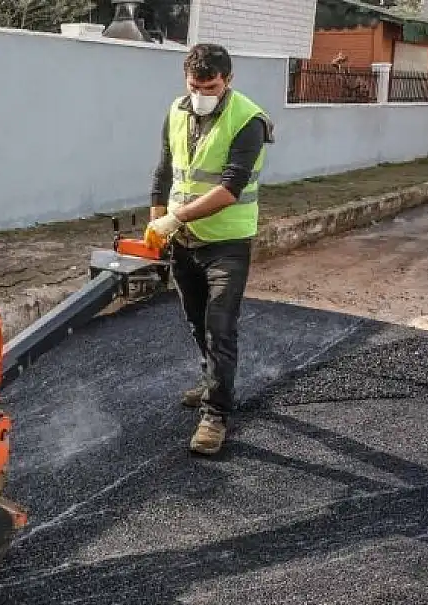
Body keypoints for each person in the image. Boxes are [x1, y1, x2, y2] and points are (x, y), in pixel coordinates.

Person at [143, 43, 274, 456]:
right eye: (194, 85)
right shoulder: (177, 111)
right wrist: (156, 221)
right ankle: (210, 381)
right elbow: (165, 170)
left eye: (210, 86)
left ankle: (215, 415)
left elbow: (231, 186)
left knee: (220, 326)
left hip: (226, 243)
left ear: (228, 81)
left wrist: (175, 218)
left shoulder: (248, 120)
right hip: (183, 242)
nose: (201, 93)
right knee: (196, 321)